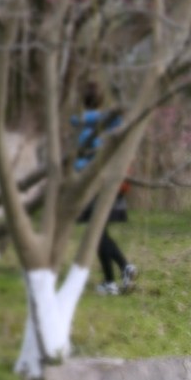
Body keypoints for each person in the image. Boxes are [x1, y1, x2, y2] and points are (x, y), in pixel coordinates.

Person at [73, 87, 138, 296]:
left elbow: (81, 159)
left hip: (91, 183)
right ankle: (110, 281)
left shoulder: (79, 124)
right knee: (98, 230)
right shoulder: (112, 123)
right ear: (101, 102)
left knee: (96, 230)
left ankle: (124, 267)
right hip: (111, 181)